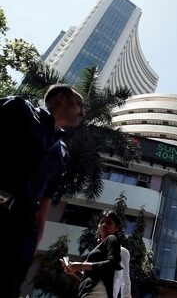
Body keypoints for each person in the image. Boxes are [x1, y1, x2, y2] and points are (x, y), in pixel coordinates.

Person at [0, 84, 84, 297]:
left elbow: (47, 196)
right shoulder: (19, 109)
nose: (83, 112)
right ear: (61, 99)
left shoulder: (62, 151)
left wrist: (37, 235)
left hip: (22, 226)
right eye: (79, 104)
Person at [62, 210, 122, 298]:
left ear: (116, 228)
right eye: (102, 222)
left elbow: (112, 264)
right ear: (97, 226)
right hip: (89, 292)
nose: (104, 225)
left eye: (109, 223)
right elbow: (92, 277)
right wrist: (74, 271)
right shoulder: (99, 248)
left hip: (97, 292)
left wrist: (81, 265)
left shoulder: (112, 239)